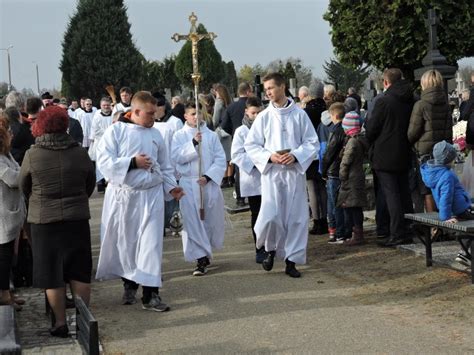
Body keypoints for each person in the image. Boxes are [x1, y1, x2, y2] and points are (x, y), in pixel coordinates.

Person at [95, 91, 183, 311]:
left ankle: (151, 294)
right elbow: (103, 161)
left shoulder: (156, 134)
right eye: (149, 113)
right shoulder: (116, 131)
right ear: (135, 111)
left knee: (151, 245)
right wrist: (132, 162)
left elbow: (165, 165)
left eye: (155, 113)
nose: (154, 117)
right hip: (125, 197)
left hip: (151, 195)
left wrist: (172, 186)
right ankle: (129, 283)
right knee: (128, 244)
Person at [19, 106, 95, 337]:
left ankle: (60, 322)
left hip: (44, 220)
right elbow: (89, 183)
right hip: (77, 218)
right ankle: (83, 320)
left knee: (52, 273)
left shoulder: (33, 154)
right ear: (65, 125)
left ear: (40, 125)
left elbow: (25, 186)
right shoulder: (80, 153)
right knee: (79, 271)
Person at [244, 72, 319, 278]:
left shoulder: (299, 114)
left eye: (270, 88)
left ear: (282, 87)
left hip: (293, 174)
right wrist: (270, 157)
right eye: (266, 89)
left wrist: (295, 155)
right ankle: (270, 249)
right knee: (271, 216)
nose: (267, 92)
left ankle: (291, 260)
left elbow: (311, 142)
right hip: (273, 175)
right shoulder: (264, 117)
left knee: (296, 218)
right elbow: (251, 145)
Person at [171, 101, 226, 276]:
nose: (196, 116)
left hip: (207, 184)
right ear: (185, 116)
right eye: (192, 113)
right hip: (189, 184)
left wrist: (209, 176)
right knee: (193, 223)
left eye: (198, 113)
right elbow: (176, 157)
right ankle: (200, 258)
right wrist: (193, 143)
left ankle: (206, 251)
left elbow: (220, 159)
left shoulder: (211, 136)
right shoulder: (179, 136)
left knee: (208, 221)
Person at [365, 68, 415, 247]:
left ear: (386, 82)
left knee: (391, 195)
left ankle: (397, 233)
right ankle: (408, 228)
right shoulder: (411, 98)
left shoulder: (384, 101)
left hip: (385, 153)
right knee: (404, 192)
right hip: (403, 150)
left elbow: (372, 129)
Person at [408, 69, 453, 214]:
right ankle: (445, 220)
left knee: (427, 190)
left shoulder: (421, 105)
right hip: (442, 152)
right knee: (442, 187)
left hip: (425, 153)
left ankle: (433, 226)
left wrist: (413, 144)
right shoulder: (446, 105)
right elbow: (449, 130)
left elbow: (412, 132)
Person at [231, 97, 264, 263]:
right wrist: (257, 162)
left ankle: (272, 245)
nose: (256, 116)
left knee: (271, 213)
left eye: (259, 112)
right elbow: (236, 154)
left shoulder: (267, 128)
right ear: (246, 112)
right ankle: (259, 247)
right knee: (257, 214)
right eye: (253, 113)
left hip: (268, 176)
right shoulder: (241, 131)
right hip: (252, 178)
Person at [0, 117, 26, 311]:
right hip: (3, 215)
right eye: (8, 132)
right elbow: (13, 178)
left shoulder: (6, 155)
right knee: (4, 256)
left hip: (11, 213)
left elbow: (18, 170)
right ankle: (4, 294)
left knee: (9, 256)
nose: (12, 134)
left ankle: (8, 292)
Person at [337, 111, 369, 245]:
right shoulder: (360, 140)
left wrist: (342, 174)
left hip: (351, 178)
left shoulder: (352, 143)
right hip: (357, 176)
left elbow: (346, 160)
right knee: (355, 206)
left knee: (353, 206)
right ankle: (357, 232)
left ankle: (357, 234)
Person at [303, 83, 328, 235]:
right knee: (323, 187)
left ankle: (317, 221)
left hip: (310, 154)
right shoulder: (326, 109)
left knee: (312, 188)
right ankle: (325, 219)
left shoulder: (306, 112)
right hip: (324, 151)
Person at [322, 102, 348, 243]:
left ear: (334, 115)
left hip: (333, 171)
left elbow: (329, 153)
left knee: (334, 204)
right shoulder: (345, 129)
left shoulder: (335, 131)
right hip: (342, 170)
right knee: (340, 203)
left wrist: (324, 170)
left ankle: (337, 232)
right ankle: (341, 231)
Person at [89, 97, 113, 192]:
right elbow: (96, 130)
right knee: (100, 163)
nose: (106, 107)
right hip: (100, 143)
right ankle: (101, 183)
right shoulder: (97, 115)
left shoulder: (114, 114)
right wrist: (109, 132)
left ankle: (110, 182)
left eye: (107, 105)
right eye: (104, 105)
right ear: (100, 106)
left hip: (112, 143)